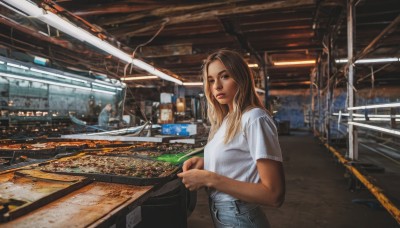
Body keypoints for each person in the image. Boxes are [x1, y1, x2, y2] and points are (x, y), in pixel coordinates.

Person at [177, 49, 285, 227]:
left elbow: (274, 194)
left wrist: (208, 178)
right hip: (225, 213)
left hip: (240, 216)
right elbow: (239, 160)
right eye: (211, 80)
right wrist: (204, 162)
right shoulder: (228, 119)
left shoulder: (254, 118)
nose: (217, 86)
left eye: (225, 76)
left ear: (241, 78)